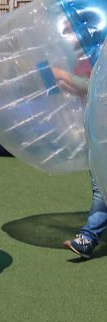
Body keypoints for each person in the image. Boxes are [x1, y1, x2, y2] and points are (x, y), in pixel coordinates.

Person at [51, 64, 105, 259]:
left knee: (101, 193)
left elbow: (97, 85)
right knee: (100, 191)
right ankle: (87, 239)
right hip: (100, 138)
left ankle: (88, 239)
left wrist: (66, 77)